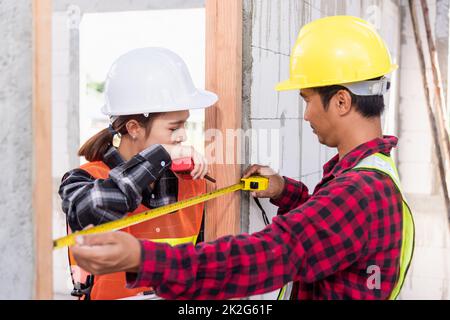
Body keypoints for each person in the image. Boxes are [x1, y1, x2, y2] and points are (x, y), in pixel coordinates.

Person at [70, 16, 415, 300]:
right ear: (132, 127)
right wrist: (284, 192)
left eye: (307, 99)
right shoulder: (368, 174)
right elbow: (328, 230)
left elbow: (271, 253)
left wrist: (144, 260)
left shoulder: (358, 190)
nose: (306, 115)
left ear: (341, 101)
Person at [59, 47, 218, 300]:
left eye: (185, 124)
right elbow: (92, 208)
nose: (184, 135)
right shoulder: (83, 179)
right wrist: (159, 157)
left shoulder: (191, 183)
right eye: (174, 127)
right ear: (134, 127)